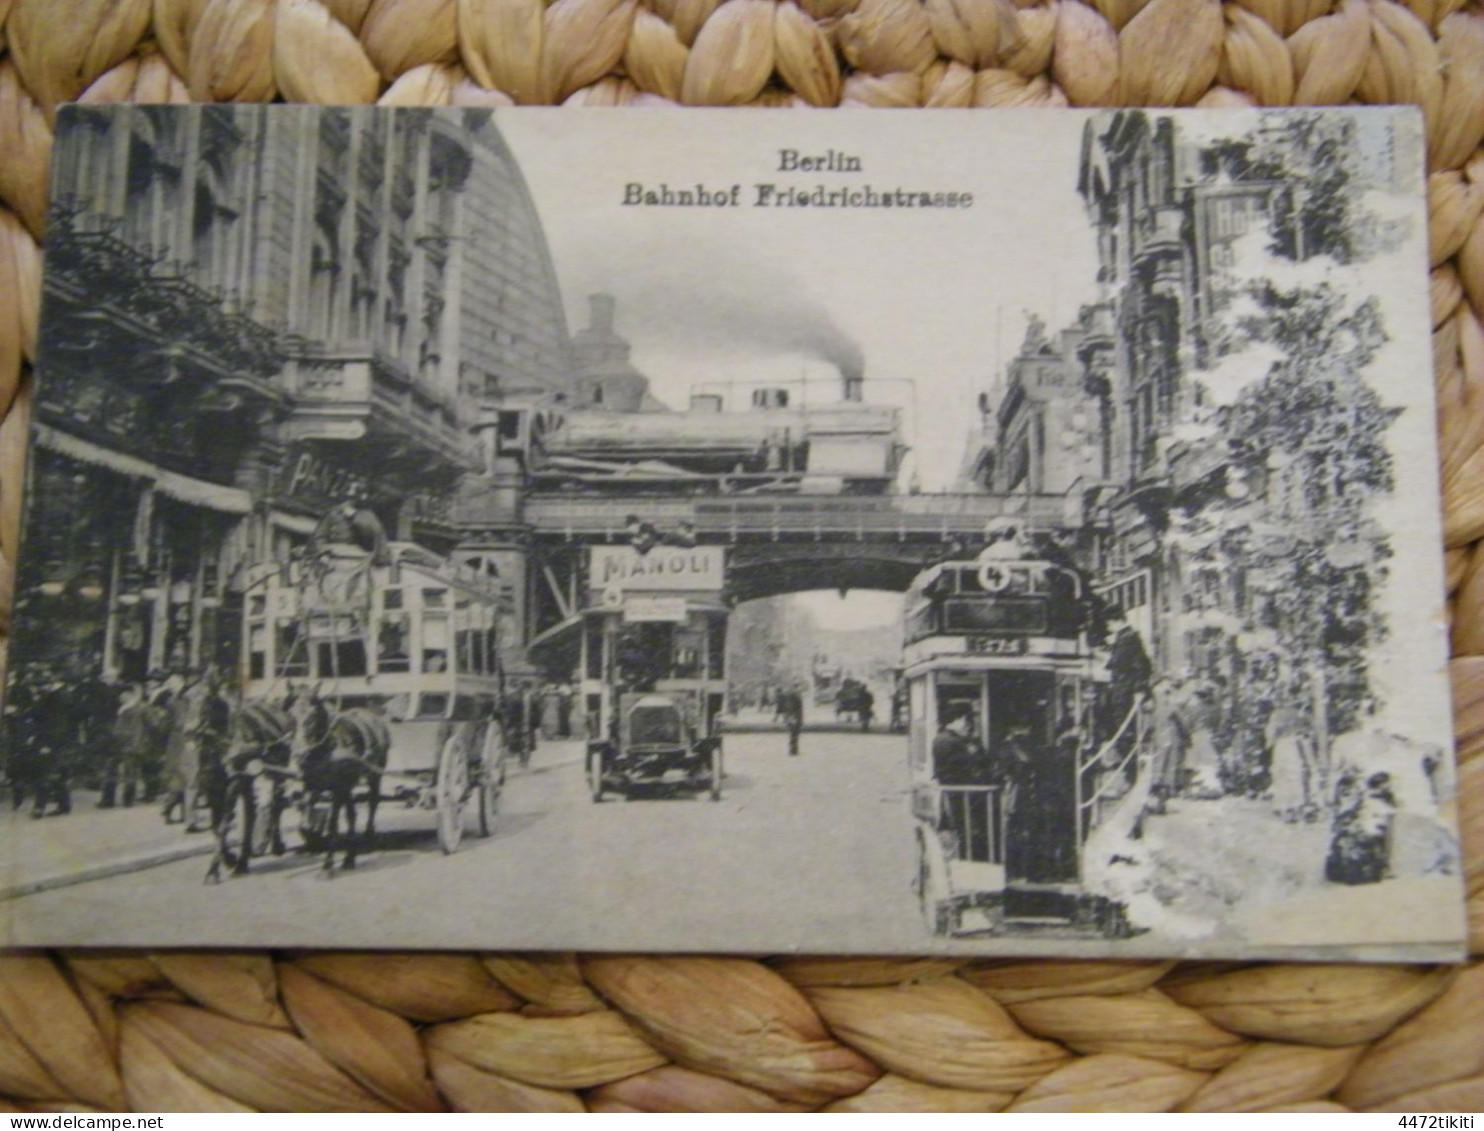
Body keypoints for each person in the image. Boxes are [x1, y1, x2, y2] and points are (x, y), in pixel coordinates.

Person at [776, 686, 804, 756]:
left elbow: (786, 710)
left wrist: (787, 718)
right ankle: (794, 749)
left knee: (792, 733)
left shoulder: (789, 701)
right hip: (796, 718)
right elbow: (798, 710)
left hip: (792, 718)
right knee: (795, 734)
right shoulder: (796, 700)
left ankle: (793, 748)